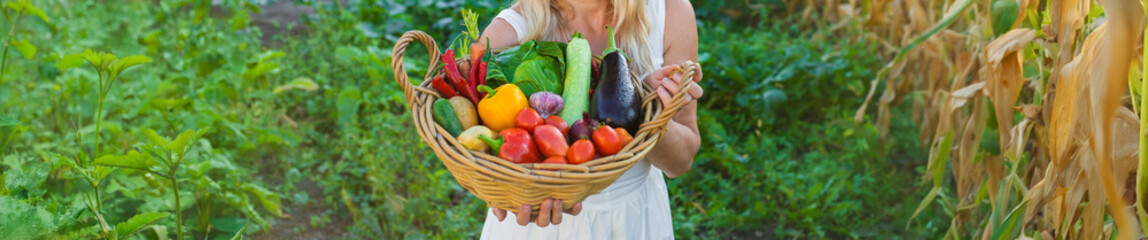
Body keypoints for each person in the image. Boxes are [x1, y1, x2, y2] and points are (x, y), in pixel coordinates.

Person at [477, 0, 704, 238]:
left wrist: (645, 111)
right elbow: (484, 157)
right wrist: (508, 195)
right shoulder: (507, 33)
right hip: (540, 230)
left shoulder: (670, 12)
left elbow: (680, 163)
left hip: (633, 219)